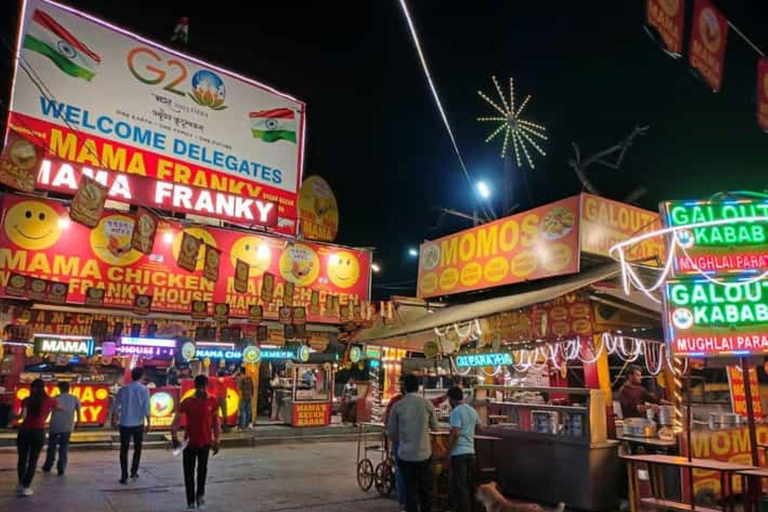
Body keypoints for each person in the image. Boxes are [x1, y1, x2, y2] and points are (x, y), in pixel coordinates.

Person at [385, 379, 448, 512]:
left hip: (405, 455)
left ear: (404, 388)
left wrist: (403, 440)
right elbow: (435, 428)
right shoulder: (426, 404)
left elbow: (391, 432)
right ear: (418, 388)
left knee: (409, 490)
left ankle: (407, 507)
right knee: (426, 490)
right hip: (424, 454)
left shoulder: (397, 405)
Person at [171, 374, 221, 511]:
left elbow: (216, 422)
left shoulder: (212, 401)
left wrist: (217, 439)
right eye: (200, 387)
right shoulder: (187, 401)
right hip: (189, 443)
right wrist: (174, 436)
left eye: (203, 387)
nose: (201, 389)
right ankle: (191, 502)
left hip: (205, 442)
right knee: (189, 473)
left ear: (206, 386)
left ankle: (199, 498)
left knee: (202, 472)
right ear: (196, 386)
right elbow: (176, 420)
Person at [17, 379, 61, 496]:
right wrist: (48, 412)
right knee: (33, 459)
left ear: (31, 388)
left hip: (24, 431)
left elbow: (22, 416)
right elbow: (59, 408)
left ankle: (21, 481)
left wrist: (13, 417)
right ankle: (26, 486)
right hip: (38, 432)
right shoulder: (50, 400)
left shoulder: (26, 400)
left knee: (22, 458)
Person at [444, 386, 481, 512]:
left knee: (459, 486)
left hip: (459, 453)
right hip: (471, 452)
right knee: (469, 485)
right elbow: (480, 427)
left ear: (451, 399)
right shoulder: (472, 410)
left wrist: (447, 452)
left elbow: (455, 433)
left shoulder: (456, 412)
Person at [114, 367, 150, 484]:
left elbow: (116, 405)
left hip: (125, 423)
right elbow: (146, 407)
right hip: (138, 423)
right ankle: (134, 471)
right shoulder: (144, 389)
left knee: (123, 450)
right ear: (141, 376)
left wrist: (115, 418)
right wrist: (148, 422)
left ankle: (124, 474)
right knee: (137, 449)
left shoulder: (123, 389)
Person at [42, 381, 81, 476]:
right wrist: (78, 422)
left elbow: (48, 411)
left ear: (60, 389)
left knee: (52, 446)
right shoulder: (74, 398)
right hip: (67, 426)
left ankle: (48, 465)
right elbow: (78, 410)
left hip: (55, 425)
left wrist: (43, 421)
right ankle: (61, 467)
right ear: (69, 388)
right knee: (64, 447)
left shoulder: (55, 398)